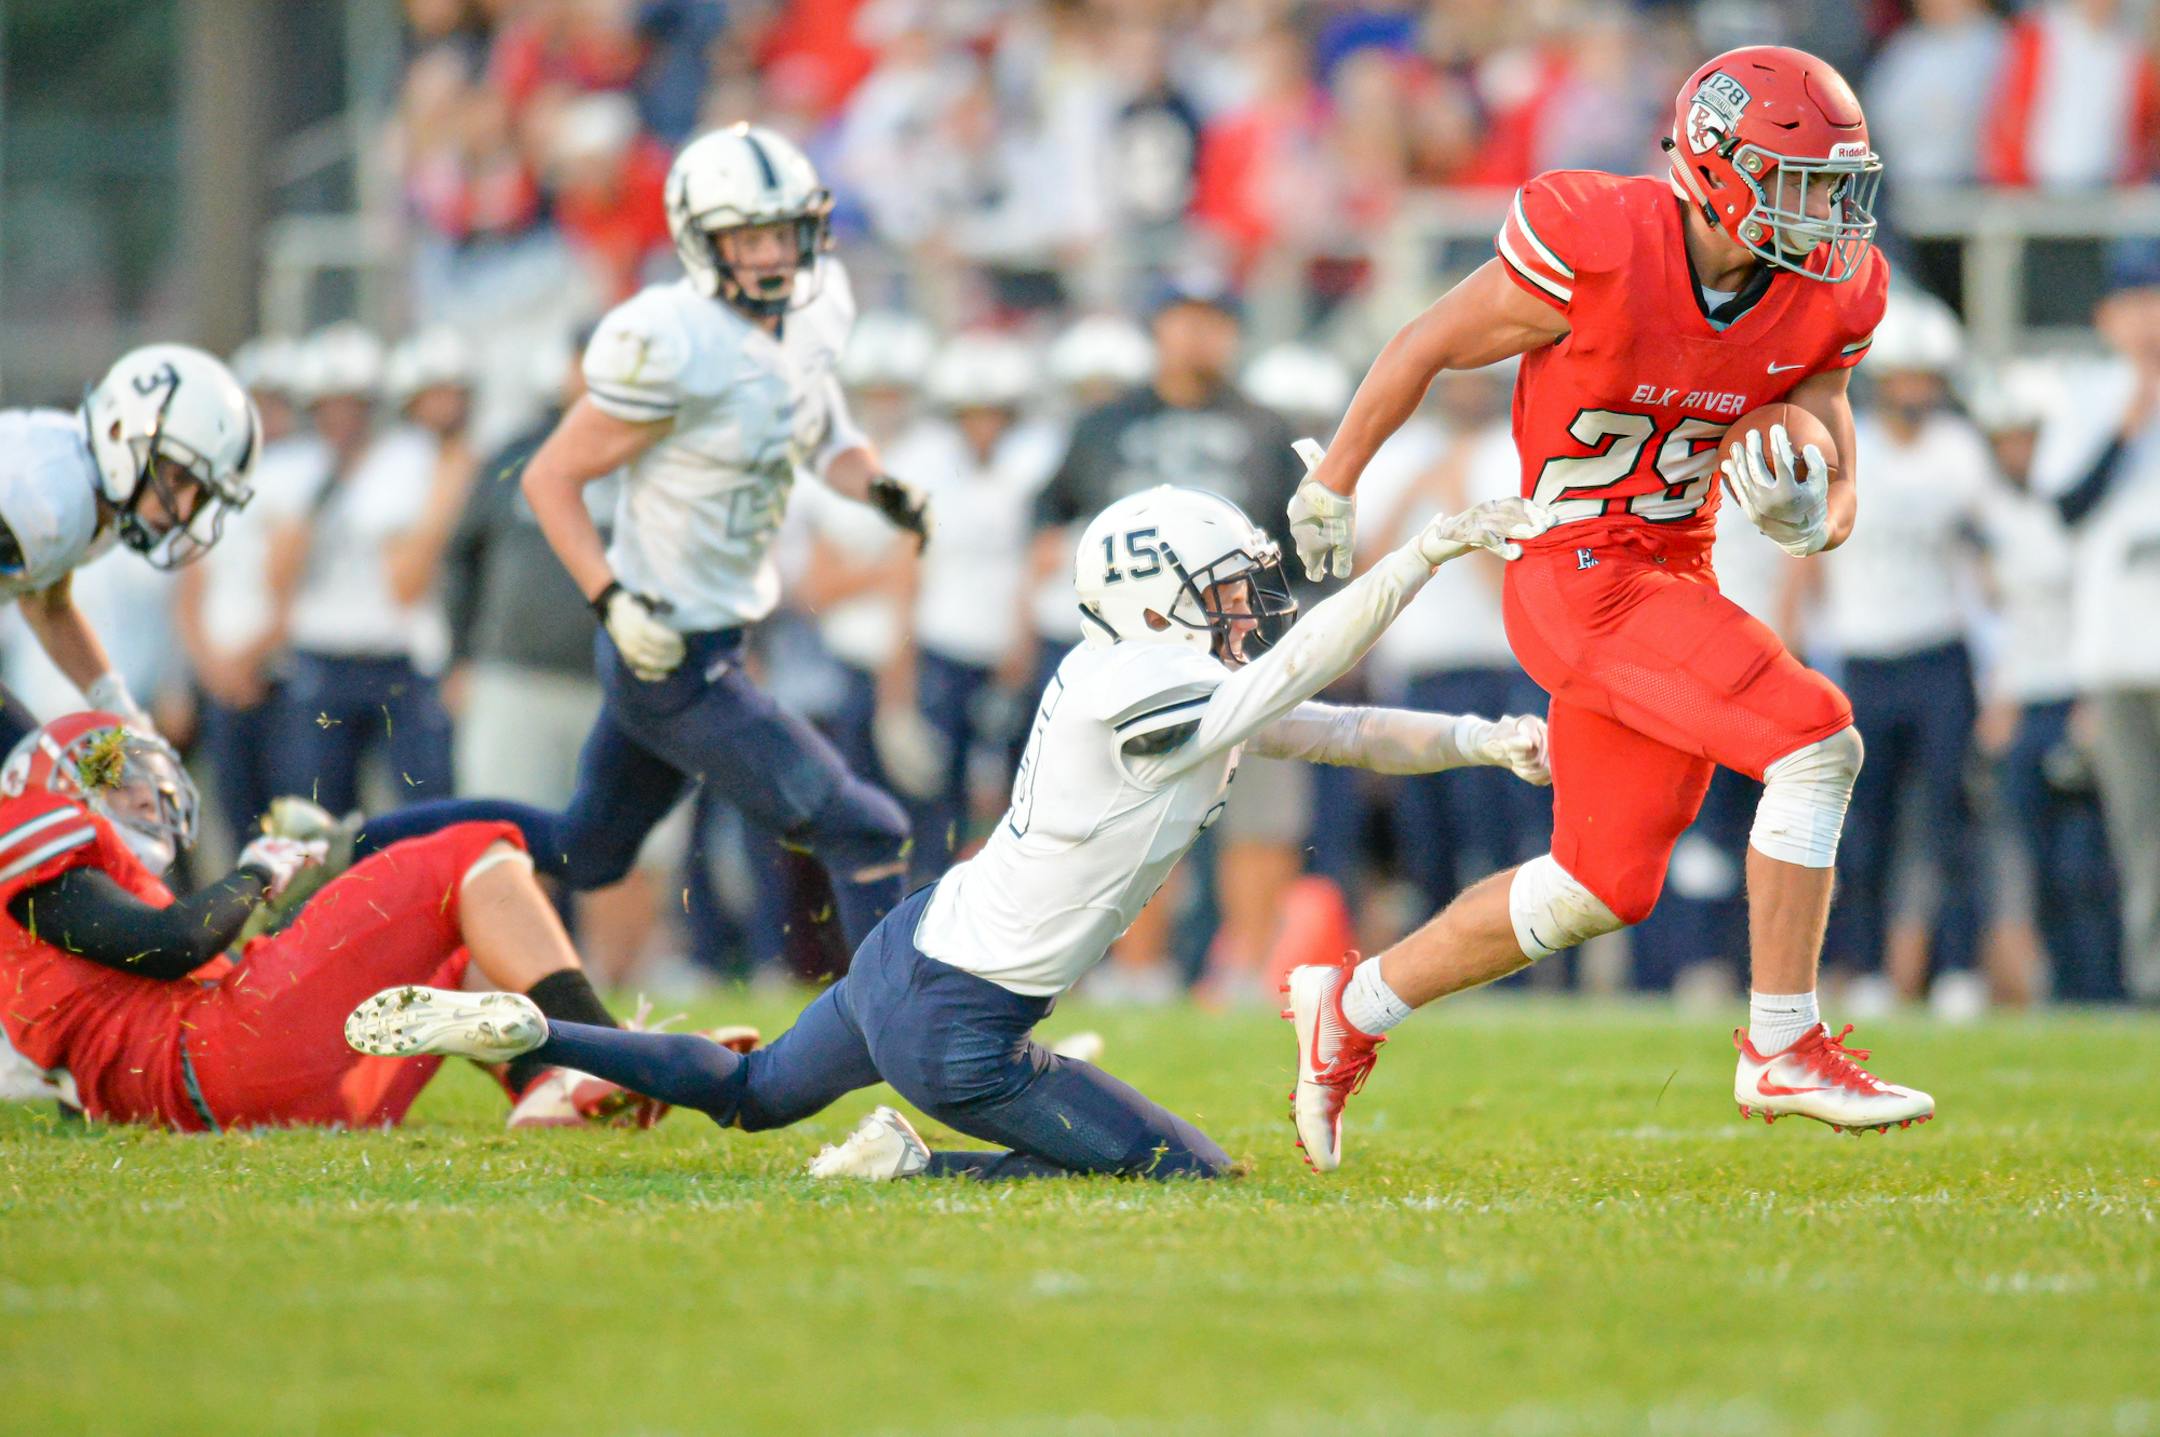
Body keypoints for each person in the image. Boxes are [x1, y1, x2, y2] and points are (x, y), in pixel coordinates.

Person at [348, 487, 1555, 1181]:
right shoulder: (1143, 686)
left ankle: (531, 1029)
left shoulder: (1154, 674)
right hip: (959, 1021)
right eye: (1225, 586)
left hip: (915, 951)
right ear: (1156, 593)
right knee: (1188, 1173)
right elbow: (1294, 677)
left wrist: (1482, 737)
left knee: (756, 1093)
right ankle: (913, 1164)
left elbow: (1337, 728)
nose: (1248, 603)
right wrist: (1419, 558)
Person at [1278, 45, 1933, 1172]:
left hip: (1674, 574)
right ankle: (1783, 1043)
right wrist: (1334, 477)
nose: (1827, 211)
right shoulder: (1598, 243)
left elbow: (1823, 402)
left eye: (1837, 183)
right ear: (1721, 170)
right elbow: (1428, 341)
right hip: (1576, 572)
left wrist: (1817, 498)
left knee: (1599, 886)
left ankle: (1352, 1007)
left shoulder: (1831, 288)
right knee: (1814, 738)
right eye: (1803, 181)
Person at [357, 124, 928, 953]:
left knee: (587, 847)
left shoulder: (809, 317)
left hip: (716, 635)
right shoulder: (674, 340)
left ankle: (344, 845)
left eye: (781, 232)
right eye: (747, 237)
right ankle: (911, 1043)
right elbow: (551, 475)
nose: (771, 255)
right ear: (703, 242)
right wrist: (612, 600)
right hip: (668, 652)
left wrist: (876, 485)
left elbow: (818, 431)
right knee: (866, 829)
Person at [0, 711, 650, 1130]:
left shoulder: (65, 909)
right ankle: (611, 1053)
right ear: (43, 793)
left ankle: (551, 1085)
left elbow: (108, 1032)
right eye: (109, 776)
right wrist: (255, 873)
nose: (141, 791)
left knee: (451, 948)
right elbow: (169, 944)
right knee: (468, 852)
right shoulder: (30, 843)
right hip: (222, 1068)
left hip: (240, 1087)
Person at [1790, 289, 1991, 1015]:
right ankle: (1867, 966)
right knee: (1860, 827)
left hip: (1940, 651)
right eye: (1906, 376)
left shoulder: (1961, 453)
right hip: (1865, 655)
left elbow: (1982, 564)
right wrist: (1804, 649)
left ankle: (1958, 967)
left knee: (1950, 820)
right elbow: (1808, 556)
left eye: (1925, 378)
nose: (1916, 391)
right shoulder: (1846, 445)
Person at [0, 345, 260, 749]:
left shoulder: (84, 493)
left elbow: (48, 606)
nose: (185, 509)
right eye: (177, 478)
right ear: (119, 430)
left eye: (202, 494)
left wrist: (125, 717)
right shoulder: (46, 500)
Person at [268, 325, 470, 815]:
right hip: (322, 656)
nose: (341, 418)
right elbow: (277, 580)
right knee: (318, 816)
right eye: (329, 405)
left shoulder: (407, 461)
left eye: (352, 404)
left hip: (396, 656)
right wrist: (320, 497)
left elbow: (406, 582)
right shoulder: (297, 470)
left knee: (426, 807)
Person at [2030, 241, 2160, 1003]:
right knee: (2140, 835)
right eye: (2135, 302)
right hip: (2116, 653)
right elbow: (2067, 506)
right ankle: (2150, 981)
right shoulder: (2087, 394)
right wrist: (2127, 421)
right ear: (2106, 316)